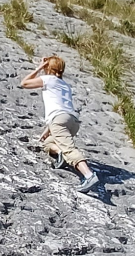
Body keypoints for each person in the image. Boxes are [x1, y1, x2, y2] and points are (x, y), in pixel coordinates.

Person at [20, 55, 100, 193]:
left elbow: (24, 83)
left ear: (48, 68)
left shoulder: (48, 79)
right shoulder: (65, 85)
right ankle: (61, 154)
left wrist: (39, 68)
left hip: (59, 120)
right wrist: (48, 129)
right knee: (48, 143)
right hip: (72, 121)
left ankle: (89, 175)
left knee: (70, 149)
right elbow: (61, 106)